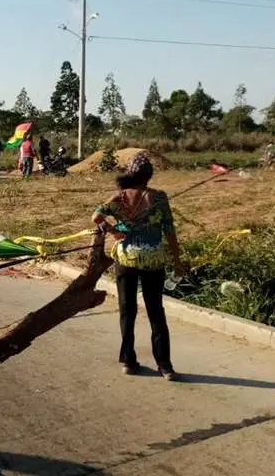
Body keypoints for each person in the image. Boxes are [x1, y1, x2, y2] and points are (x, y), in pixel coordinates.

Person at [92, 152, 184, 381]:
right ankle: (165, 366)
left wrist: (113, 231)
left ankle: (127, 360)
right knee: (156, 311)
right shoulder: (160, 198)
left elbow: (96, 216)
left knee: (127, 310)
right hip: (154, 260)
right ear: (149, 175)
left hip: (125, 259)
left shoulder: (119, 197)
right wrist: (178, 262)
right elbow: (170, 233)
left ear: (130, 173)